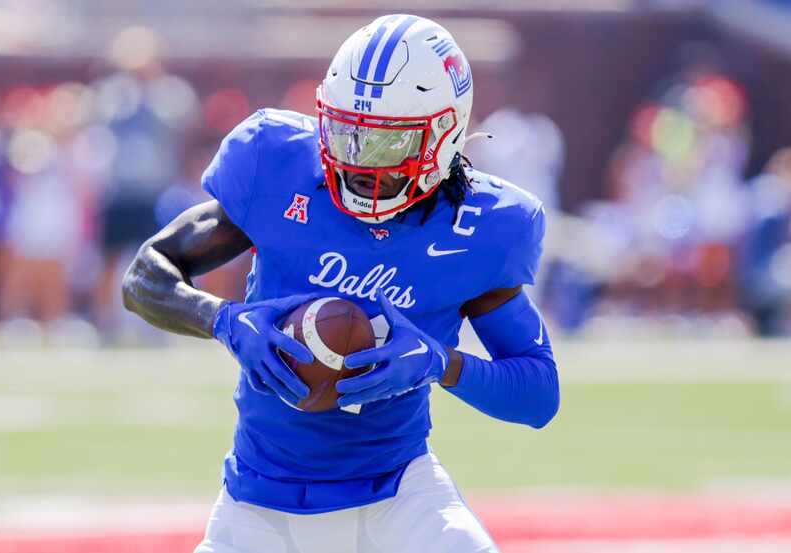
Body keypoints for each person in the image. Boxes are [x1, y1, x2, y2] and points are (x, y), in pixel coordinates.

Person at [123, 14, 559, 553]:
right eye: (347, 132)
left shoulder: (480, 225)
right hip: (256, 506)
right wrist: (223, 320)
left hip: (399, 497)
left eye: (383, 144)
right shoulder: (277, 162)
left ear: (445, 134)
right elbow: (144, 276)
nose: (356, 160)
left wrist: (440, 361)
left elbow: (539, 394)